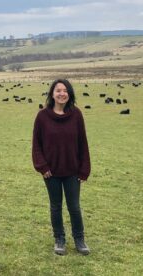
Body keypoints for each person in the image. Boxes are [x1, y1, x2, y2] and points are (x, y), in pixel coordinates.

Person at [32, 79, 91, 255]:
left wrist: (84, 169)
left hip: (73, 171)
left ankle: (79, 239)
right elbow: (36, 145)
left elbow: (83, 143)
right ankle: (59, 239)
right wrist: (42, 166)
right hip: (51, 172)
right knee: (55, 206)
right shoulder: (42, 117)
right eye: (58, 90)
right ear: (52, 94)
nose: (62, 93)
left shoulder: (77, 115)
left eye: (65, 90)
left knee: (74, 206)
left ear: (69, 94)